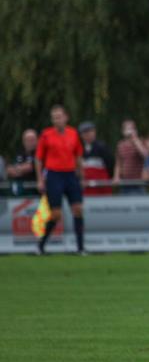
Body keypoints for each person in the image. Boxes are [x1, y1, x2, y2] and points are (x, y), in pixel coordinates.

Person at [35, 105, 86, 255]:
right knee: (56, 214)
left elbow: (78, 156)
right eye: (54, 117)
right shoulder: (46, 135)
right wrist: (40, 180)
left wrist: (81, 176)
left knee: (78, 209)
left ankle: (80, 248)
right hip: (54, 175)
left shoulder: (73, 133)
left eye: (59, 117)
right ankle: (41, 246)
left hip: (70, 175)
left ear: (66, 117)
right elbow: (38, 159)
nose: (56, 120)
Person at [79, 121, 114, 196]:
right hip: (87, 187)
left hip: (102, 185)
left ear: (94, 132)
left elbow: (110, 164)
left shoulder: (102, 147)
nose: (87, 134)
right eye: (84, 132)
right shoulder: (79, 148)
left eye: (89, 131)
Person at [114, 119, 148, 194]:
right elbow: (118, 164)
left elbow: (145, 155)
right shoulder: (120, 145)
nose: (129, 131)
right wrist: (116, 176)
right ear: (123, 131)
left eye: (131, 128)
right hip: (124, 183)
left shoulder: (140, 142)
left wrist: (135, 139)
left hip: (138, 183)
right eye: (127, 128)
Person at [7, 129, 38, 196]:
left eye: (32, 140)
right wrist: (22, 169)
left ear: (37, 140)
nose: (30, 142)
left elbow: (30, 168)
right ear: (23, 141)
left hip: (34, 190)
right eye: (27, 140)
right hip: (19, 189)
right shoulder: (19, 152)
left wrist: (17, 169)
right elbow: (9, 170)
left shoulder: (39, 153)